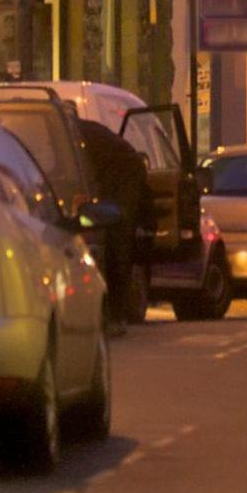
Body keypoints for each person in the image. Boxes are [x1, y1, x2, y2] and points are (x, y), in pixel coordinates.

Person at [76, 116, 149, 336]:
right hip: (118, 173)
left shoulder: (71, 134)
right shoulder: (79, 129)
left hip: (125, 175)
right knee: (111, 238)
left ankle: (117, 315)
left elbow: (81, 170)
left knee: (119, 239)